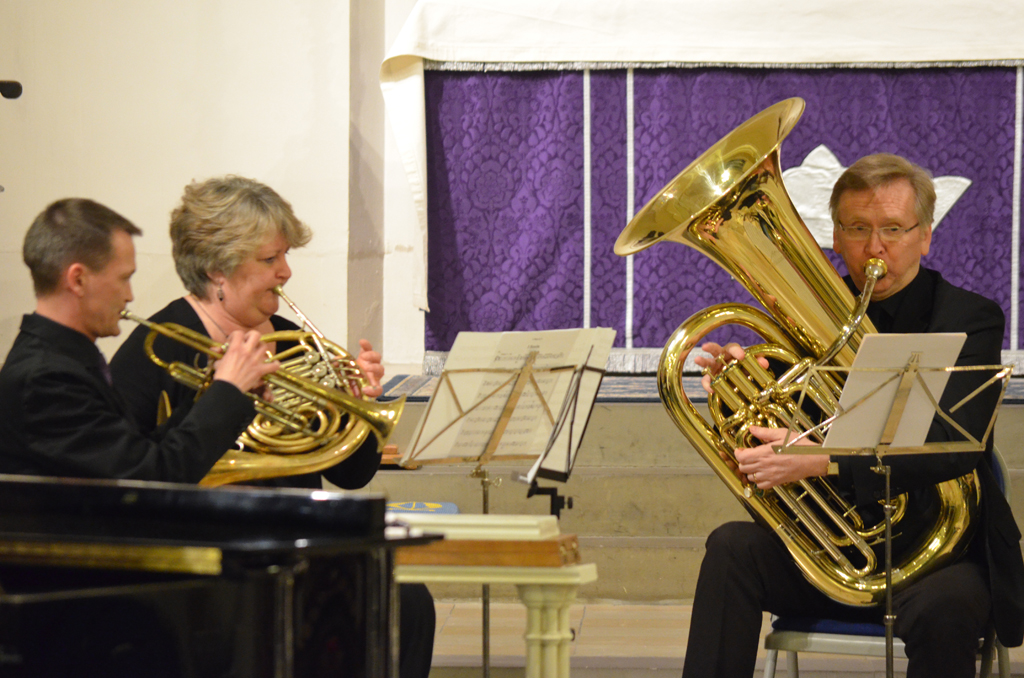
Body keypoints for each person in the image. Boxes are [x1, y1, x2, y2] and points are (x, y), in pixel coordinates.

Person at [682, 154, 1024, 678]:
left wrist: (825, 460)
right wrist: (738, 392)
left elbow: (959, 445)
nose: (875, 247)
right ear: (835, 238)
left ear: (925, 236)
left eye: (893, 228)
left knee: (945, 611)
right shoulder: (797, 318)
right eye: (858, 229)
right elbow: (772, 451)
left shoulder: (967, 317)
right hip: (836, 548)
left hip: (944, 554)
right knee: (731, 548)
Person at [108, 175, 434, 678]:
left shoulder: (293, 339)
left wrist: (355, 408)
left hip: (294, 547)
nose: (284, 272)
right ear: (217, 268)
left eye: (285, 256)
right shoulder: (159, 349)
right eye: (269, 260)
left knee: (407, 604)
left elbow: (351, 476)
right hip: (203, 560)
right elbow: (129, 480)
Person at [0, 198, 277, 481]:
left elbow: (142, 452)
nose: (129, 295)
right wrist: (226, 391)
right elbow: (150, 477)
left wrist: (216, 395)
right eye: (124, 278)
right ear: (78, 280)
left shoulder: (66, 362)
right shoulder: (45, 380)